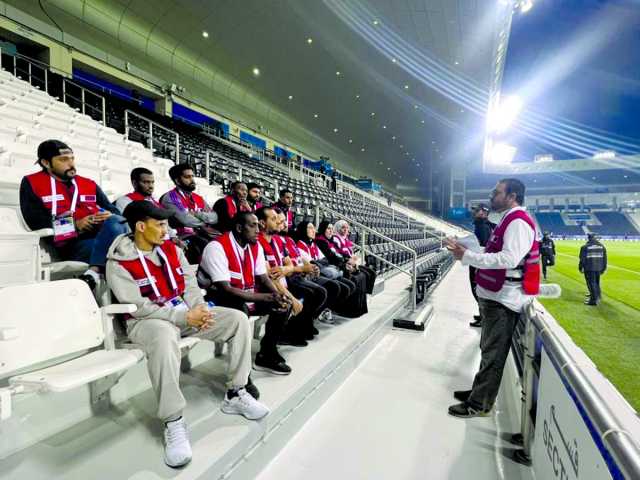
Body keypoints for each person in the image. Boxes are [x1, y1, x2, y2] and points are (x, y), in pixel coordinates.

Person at [106, 201, 269, 468]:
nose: (166, 230)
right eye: (160, 225)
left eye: (167, 224)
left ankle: (236, 393)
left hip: (182, 313)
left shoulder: (171, 249)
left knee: (238, 319)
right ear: (140, 226)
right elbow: (138, 307)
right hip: (147, 321)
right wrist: (184, 317)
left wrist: (199, 308)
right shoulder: (119, 261)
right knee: (163, 336)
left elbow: (189, 284)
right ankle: (173, 420)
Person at [445, 178, 540, 418]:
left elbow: (507, 259)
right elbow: (493, 253)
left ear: (512, 195)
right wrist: (467, 251)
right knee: (488, 350)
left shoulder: (518, 222)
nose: (491, 196)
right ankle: (480, 392)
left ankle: (480, 403)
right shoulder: (509, 219)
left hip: (504, 299)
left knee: (493, 353)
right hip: (497, 296)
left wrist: (468, 256)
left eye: (496, 192)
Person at [20, 139, 128, 290]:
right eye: (63, 160)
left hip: (104, 235)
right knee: (120, 254)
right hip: (72, 244)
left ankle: (93, 273)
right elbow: (36, 222)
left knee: (117, 221)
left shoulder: (87, 183)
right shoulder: (32, 182)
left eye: (72, 158)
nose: (71, 164)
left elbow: (113, 210)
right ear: (45, 162)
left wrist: (107, 215)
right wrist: (75, 225)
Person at [199, 211, 295, 375]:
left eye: (258, 225)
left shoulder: (255, 245)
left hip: (248, 294)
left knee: (283, 305)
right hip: (220, 298)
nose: (258, 229)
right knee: (240, 312)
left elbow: (263, 278)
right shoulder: (217, 247)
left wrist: (277, 295)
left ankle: (266, 354)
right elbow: (225, 289)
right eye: (253, 225)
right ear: (239, 228)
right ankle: (242, 376)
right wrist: (267, 296)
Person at [255, 207, 312, 345]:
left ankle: (294, 331)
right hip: (267, 289)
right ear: (262, 223)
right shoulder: (258, 244)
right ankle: (268, 350)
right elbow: (270, 278)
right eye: (274, 219)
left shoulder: (278, 241)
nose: (280, 223)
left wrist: (286, 269)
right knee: (284, 304)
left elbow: (289, 266)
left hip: (284, 283)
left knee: (311, 293)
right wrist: (292, 298)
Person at [275, 211, 328, 339]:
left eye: (284, 221)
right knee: (315, 293)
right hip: (287, 279)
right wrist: (302, 268)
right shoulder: (275, 241)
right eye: (280, 221)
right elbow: (284, 270)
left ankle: (306, 324)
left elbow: (293, 263)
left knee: (321, 292)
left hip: (296, 274)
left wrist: (308, 267)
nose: (284, 224)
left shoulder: (288, 240)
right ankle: (295, 328)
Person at [295, 220, 355, 324]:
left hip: (320, 272)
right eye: (310, 228)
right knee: (334, 287)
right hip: (310, 275)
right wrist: (318, 262)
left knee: (348, 286)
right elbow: (311, 263)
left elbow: (324, 260)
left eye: (314, 228)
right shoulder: (300, 245)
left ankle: (321, 312)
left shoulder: (313, 244)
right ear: (303, 230)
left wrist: (318, 262)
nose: (313, 230)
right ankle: (314, 317)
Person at [160, 163, 218, 263]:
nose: (192, 180)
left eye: (192, 176)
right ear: (177, 181)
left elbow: (214, 217)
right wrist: (205, 221)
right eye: (187, 177)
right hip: (182, 236)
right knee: (207, 247)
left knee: (221, 242)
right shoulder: (171, 197)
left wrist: (198, 215)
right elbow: (186, 220)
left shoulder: (198, 198)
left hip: (200, 233)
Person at [316, 220, 368, 318]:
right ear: (323, 229)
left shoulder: (330, 240)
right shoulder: (321, 240)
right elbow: (331, 257)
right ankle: (343, 309)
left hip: (339, 265)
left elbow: (339, 254)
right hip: (330, 268)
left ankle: (359, 306)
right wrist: (346, 263)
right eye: (328, 229)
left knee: (363, 275)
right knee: (353, 279)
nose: (331, 231)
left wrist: (348, 261)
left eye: (332, 229)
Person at [332, 220, 377, 294]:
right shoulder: (335, 239)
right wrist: (350, 259)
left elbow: (351, 253)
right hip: (345, 264)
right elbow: (338, 254)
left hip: (352, 262)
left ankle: (365, 294)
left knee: (372, 273)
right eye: (343, 227)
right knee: (365, 274)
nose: (345, 229)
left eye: (347, 228)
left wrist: (354, 257)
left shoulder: (346, 239)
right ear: (338, 228)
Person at [469, 204, 496, 328]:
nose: (475, 212)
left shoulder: (482, 226)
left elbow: (483, 246)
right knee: (477, 289)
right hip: (479, 261)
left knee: (477, 289)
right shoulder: (483, 224)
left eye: (477, 210)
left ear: (484, 213)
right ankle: (482, 314)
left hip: (479, 263)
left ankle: (484, 317)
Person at [579, 233, 606, 306]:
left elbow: (582, 260)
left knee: (592, 283)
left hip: (589, 268)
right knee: (597, 282)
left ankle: (593, 300)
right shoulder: (602, 246)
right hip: (599, 268)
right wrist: (603, 268)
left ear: (588, 238)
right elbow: (604, 259)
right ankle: (598, 296)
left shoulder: (585, 247)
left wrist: (580, 268)